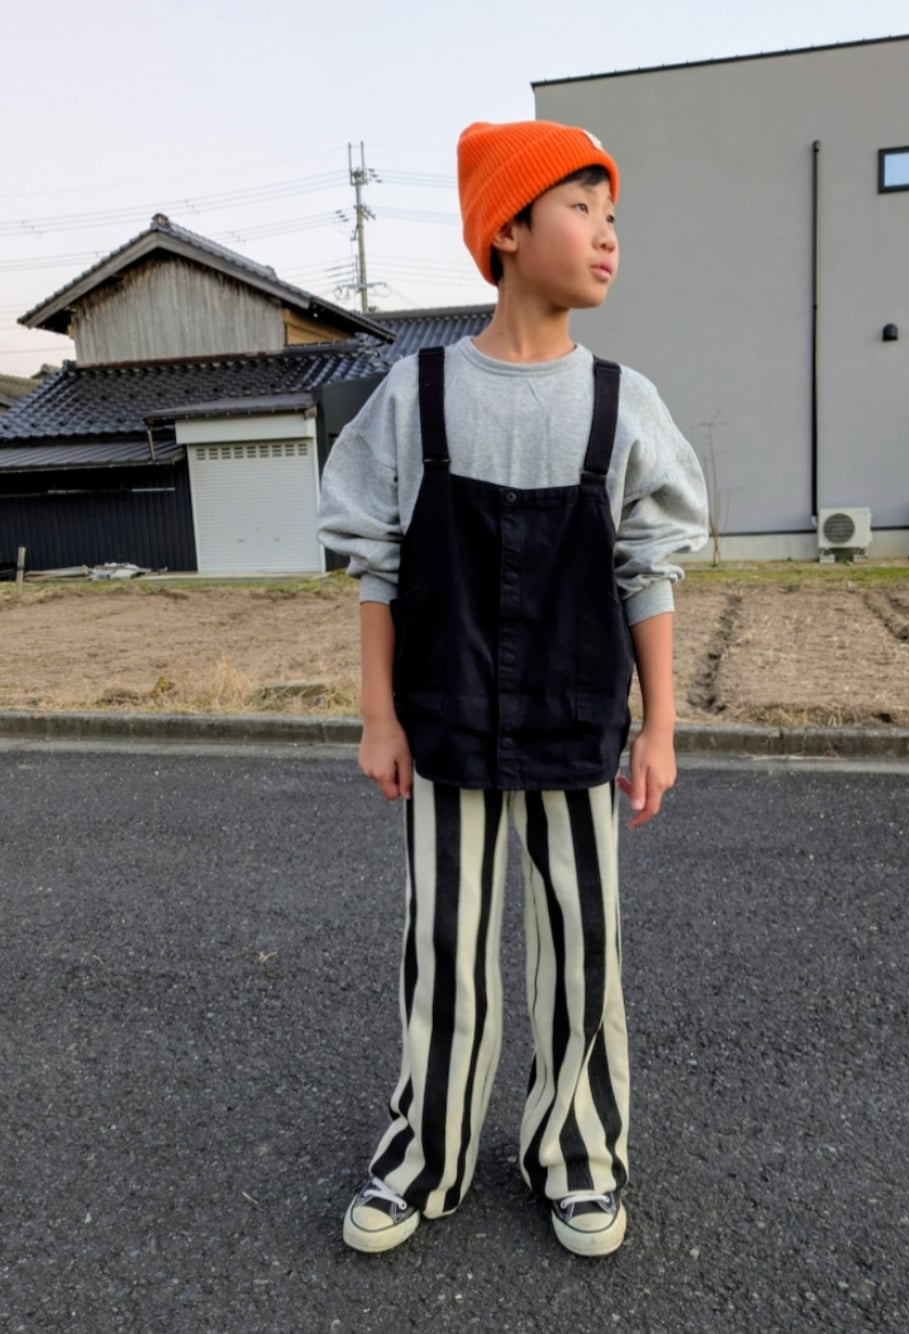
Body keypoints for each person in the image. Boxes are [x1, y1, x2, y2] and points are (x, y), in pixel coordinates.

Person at [317, 119, 708, 1258]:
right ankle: (423, 1156)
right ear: (507, 229)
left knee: (585, 949)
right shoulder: (418, 392)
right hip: (442, 723)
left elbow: (648, 567)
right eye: (581, 207)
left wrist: (662, 726)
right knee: (443, 948)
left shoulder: (622, 401)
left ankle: (578, 1156)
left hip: (579, 725)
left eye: (612, 214)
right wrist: (378, 715)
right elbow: (379, 565)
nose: (607, 234)